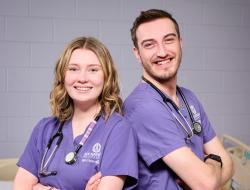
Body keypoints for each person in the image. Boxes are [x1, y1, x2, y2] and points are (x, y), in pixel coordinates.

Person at [123, 9, 234, 190]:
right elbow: (207, 183)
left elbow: (229, 164)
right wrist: (213, 161)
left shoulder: (189, 98)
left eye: (169, 40)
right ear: (137, 53)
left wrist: (208, 177)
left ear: (180, 43)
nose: (162, 52)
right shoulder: (143, 107)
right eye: (150, 44)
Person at [13, 36, 138, 190]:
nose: (82, 78)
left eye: (93, 70)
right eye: (73, 69)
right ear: (63, 76)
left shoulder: (118, 129)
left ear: (106, 77)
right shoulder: (44, 128)